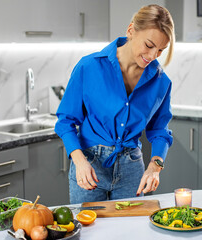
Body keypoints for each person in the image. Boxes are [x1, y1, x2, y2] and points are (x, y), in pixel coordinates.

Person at [55, 4, 175, 204]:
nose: (153, 56)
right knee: (88, 231)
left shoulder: (161, 82)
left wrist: (155, 166)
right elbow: (65, 121)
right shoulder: (89, 67)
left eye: (161, 50)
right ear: (131, 31)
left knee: (130, 232)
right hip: (89, 164)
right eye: (149, 45)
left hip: (132, 168)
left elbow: (159, 130)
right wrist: (79, 161)